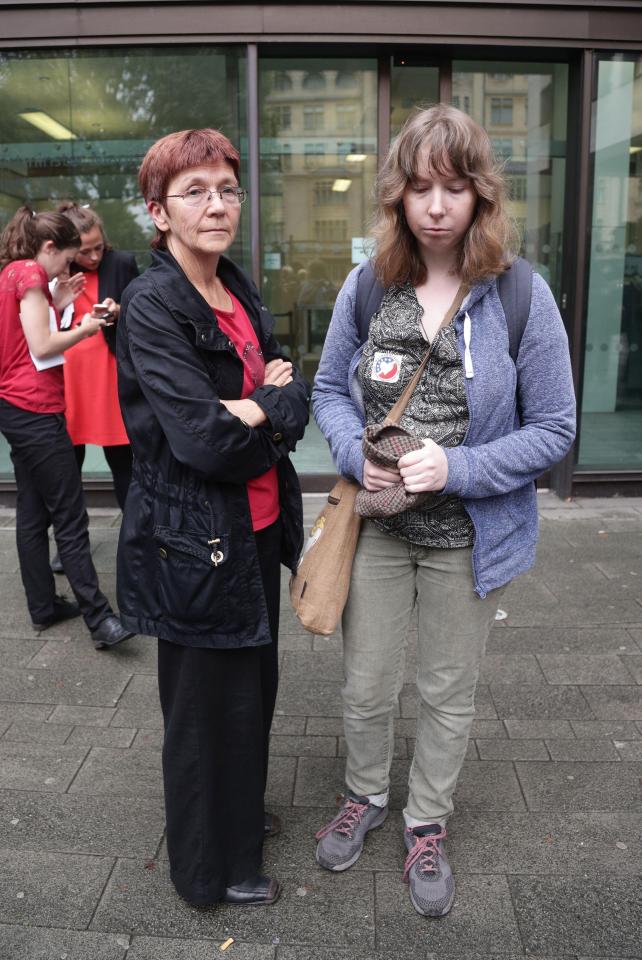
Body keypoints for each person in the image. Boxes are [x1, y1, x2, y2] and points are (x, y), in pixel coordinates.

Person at [312, 105, 576, 918]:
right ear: (397, 195)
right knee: (364, 684)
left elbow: (557, 430)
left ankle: (426, 820)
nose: (435, 204)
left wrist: (456, 466)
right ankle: (364, 796)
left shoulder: (520, 295)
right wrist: (354, 450)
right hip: (380, 532)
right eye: (420, 186)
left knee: (447, 690)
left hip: (469, 537)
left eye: (453, 187)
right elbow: (328, 390)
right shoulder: (369, 285)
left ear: (479, 196)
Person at [116, 129, 309, 908]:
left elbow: (288, 403)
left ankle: (239, 821)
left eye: (227, 188)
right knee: (201, 714)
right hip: (193, 542)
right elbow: (199, 440)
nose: (217, 204)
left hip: (256, 530)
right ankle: (209, 870)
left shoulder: (237, 287)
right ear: (158, 212)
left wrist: (259, 408)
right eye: (194, 192)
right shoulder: (152, 303)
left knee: (252, 694)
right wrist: (265, 402)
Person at [0, 206, 135, 649]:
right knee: (70, 517)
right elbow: (42, 344)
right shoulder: (32, 275)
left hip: (13, 406)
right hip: (36, 408)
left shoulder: (12, 273)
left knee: (33, 511)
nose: (70, 268)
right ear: (50, 248)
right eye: (68, 257)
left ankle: (43, 607)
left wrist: (58, 304)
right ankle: (100, 620)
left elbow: (22, 338)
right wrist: (87, 325)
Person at [48, 203, 138, 573]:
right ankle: (69, 545)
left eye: (98, 246)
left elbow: (142, 309)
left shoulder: (121, 263)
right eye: (84, 250)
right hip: (66, 378)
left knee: (125, 466)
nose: (94, 255)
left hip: (109, 373)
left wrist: (119, 311)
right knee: (68, 469)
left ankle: (137, 540)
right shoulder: (53, 267)